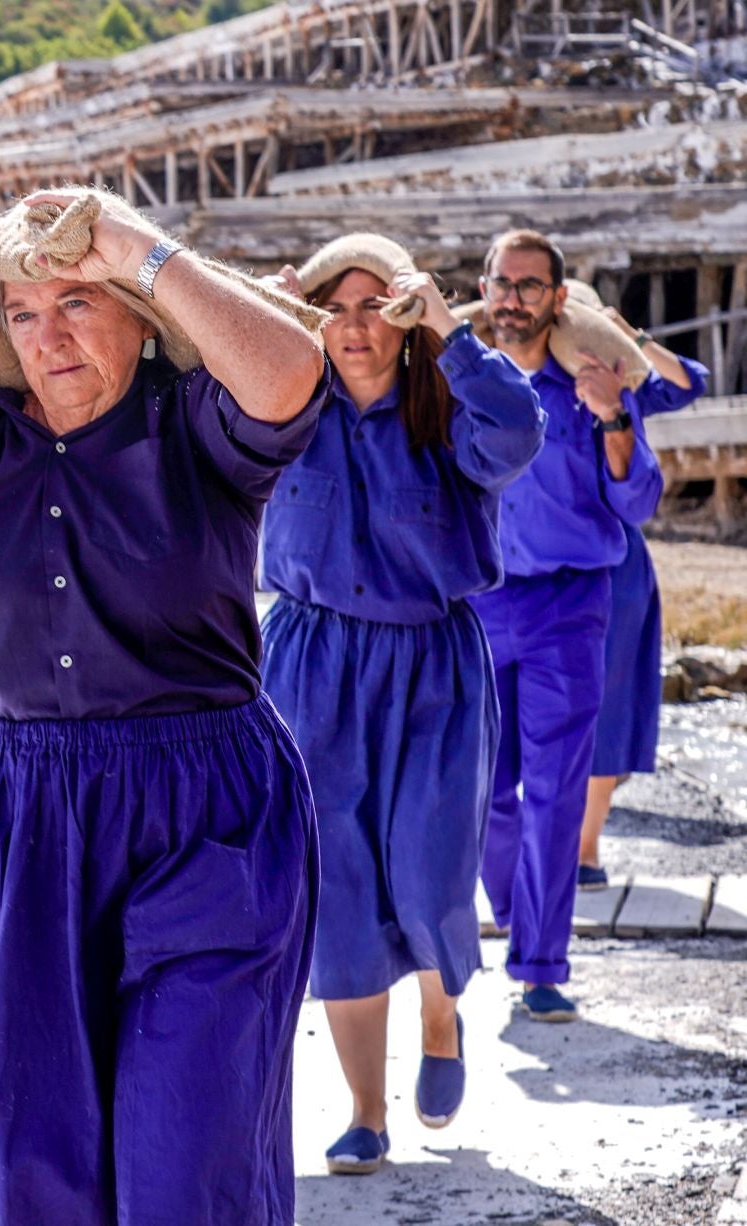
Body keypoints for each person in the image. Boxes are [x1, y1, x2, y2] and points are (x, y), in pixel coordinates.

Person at [0, 189, 327, 1224]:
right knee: (23, 1155)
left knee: (192, 1150)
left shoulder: (194, 421)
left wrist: (136, 241)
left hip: (203, 809)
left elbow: (290, 374)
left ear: (138, 312)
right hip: (7, 815)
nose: (51, 335)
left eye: (80, 300)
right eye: (23, 313)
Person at [257, 235, 544, 1176]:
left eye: (375, 305)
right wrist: (261, 312)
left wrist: (451, 332)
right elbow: (189, 396)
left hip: (431, 669)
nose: (353, 327)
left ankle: (440, 1010)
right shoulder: (288, 408)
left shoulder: (448, 407)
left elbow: (519, 431)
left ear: (407, 315)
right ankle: (365, 1114)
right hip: (311, 665)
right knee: (336, 894)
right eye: (334, 308)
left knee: (426, 867)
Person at [462, 230, 664, 1023]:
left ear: (557, 295)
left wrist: (614, 416)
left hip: (570, 608)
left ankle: (542, 961)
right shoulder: (458, 384)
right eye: (501, 283)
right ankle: (516, 912)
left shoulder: (593, 382)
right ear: (484, 288)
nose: (513, 298)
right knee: (485, 789)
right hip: (478, 606)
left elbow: (638, 501)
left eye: (530, 285)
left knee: (555, 789)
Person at [575, 287, 708, 890]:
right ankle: (559, 847)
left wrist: (632, 335)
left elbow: (688, 383)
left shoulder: (626, 385)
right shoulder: (521, 386)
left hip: (618, 564)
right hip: (540, 569)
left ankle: (584, 847)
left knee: (611, 708)